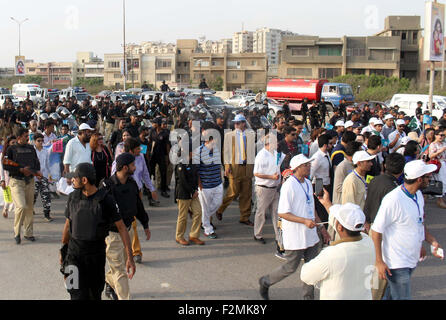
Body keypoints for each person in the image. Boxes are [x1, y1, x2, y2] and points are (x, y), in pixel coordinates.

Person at [258, 154, 330, 300]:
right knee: (291, 267)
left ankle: (307, 297)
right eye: (306, 165)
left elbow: (312, 207)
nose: (309, 167)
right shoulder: (289, 186)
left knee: (310, 268)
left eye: (309, 165)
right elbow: (283, 213)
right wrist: (304, 221)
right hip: (296, 234)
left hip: (310, 234)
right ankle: (266, 281)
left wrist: (322, 229)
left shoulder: (308, 183)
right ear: (297, 168)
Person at [60, 163, 135, 300]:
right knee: (75, 294)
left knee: (94, 295)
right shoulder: (73, 197)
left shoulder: (106, 200)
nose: (72, 180)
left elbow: (122, 228)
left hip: (95, 259)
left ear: (84, 180)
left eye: (75, 178)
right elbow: (67, 226)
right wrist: (63, 252)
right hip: (73, 257)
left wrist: (130, 257)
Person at [371, 160, 444, 300]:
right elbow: (376, 231)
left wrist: (428, 242)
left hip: (411, 258)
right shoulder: (393, 200)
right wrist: (379, 261)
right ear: (419, 179)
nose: (430, 180)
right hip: (396, 262)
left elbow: (418, 223)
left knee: (392, 296)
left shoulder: (418, 196)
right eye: (428, 177)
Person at [300, 200, 375, 300]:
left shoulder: (332, 254)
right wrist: (327, 203)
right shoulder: (368, 242)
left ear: (339, 227)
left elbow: (306, 275)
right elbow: (344, 228)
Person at [101, 153, 150, 300]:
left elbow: (138, 205)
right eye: (133, 165)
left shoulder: (132, 183)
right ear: (124, 167)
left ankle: (109, 284)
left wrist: (145, 224)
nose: (135, 167)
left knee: (118, 266)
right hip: (113, 234)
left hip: (127, 231)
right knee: (120, 270)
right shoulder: (107, 186)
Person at [363, 153, 405, 300]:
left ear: (385, 165)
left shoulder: (375, 180)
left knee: (372, 271)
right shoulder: (395, 189)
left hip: (372, 227)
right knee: (381, 274)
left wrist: (366, 222)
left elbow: (367, 203)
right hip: (383, 232)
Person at [112, 138, 158, 262]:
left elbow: (145, 175)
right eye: (138, 149)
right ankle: (133, 250)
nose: (140, 150)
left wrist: (151, 188)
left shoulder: (141, 157)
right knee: (130, 224)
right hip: (122, 196)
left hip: (137, 192)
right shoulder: (120, 160)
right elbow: (113, 177)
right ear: (131, 150)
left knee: (133, 222)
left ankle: (135, 251)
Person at [4, 128, 42, 244]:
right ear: (19, 137)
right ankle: (17, 232)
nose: (28, 138)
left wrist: (36, 171)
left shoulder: (31, 148)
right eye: (26, 136)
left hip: (29, 181)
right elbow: (6, 165)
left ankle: (28, 233)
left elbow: (36, 162)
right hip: (17, 182)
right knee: (21, 206)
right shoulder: (11, 149)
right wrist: (20, 169)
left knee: (29, 208)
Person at [216, 114, 255, 226]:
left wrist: (252, 168)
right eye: (235, 123)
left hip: (247, 168)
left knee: (246, 194)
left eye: (238, 123)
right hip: (234, 167)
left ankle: (244, 217)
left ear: (244, 123)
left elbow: (252, 152)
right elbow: (226, 152)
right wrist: (227, 166)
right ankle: (220, 209)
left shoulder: (250, 135)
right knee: (233, 192)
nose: (236, 125)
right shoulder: (229, 135)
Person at [253, 133, 285, 255]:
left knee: (276, 212)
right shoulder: (261, 156)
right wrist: (271, 177)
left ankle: (279, 236)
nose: (277, 144)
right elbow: (256, 173)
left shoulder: (276, 154)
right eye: (275, 142)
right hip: (264, 187)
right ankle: (258, 234)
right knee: (261, 212)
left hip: (275, 187)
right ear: (268, 144)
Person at [192, 122, 223, 239]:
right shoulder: (199, 151)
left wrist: (220, 179)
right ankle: (207, 229)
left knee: (217, 203)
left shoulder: (216, 150)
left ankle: (201, 217)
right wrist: (200, 185)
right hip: (205, 186)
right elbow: (197, 171)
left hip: (217, 183)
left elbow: (218, 165)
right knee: (205, 208)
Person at [175, 149, 205, 246]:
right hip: (184, 194)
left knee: (198, 212)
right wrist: (192, 192)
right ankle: (179, 236)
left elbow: (195, 176)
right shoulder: (181, 164)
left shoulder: (193, 162)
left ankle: (194, 235)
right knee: (183, 216)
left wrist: (196, 189)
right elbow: (183, 181)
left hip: (193, 193)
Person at [332, 141, 362, 205]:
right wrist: (354, 187)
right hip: (341, 203)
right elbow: (338, 187)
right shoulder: (342, 166)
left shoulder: (355, 164)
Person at [33, 133, 53, 222]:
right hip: (34, 178)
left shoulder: (45, 151)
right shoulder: (32, 151)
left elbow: (48, 164)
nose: (41, 142)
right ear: (34, 141)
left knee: (46, 196)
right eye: (38, 141)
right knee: (33, 196)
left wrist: (49, 175)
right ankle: (29, 211)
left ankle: (47, 214)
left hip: (44, 176)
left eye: (42, 141)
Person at [148, 117, 170, 198]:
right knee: (150, 172)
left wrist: (168, 157)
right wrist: (147, 154)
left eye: (154, 123)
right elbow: (149, 142)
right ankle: (148, 189)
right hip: (153, 155)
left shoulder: (165, 133)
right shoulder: (152, 131)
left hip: (161, 156)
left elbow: (167, 146)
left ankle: (163, 190)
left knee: (163, 173)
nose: (153, 124)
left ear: (158, 124)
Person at [428, 129, 446, 209]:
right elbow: (430, 156)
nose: (441, 137)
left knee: (444, 181)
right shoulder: (433, 144)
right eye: (440, 135)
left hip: (444, 163)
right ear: (436, 135)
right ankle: (440, 199)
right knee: (440, 181)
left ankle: (441, 198)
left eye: (443, 135)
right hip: (437, 164)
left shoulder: (444, 143)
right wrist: (440, 151)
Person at [0, 135, 16, 218]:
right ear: (8, 143)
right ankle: (5, 208)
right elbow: (1, 168)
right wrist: (2, 180)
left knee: (16, 197)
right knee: (8, 196)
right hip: (7, 178)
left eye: (15, 142)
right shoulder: (4, 154)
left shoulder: (18, 152)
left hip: (16, 178)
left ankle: (18, 216)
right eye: (12, 142)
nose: (14, 144)